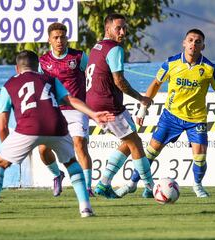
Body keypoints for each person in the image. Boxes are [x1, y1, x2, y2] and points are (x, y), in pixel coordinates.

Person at [0, 50, 115, 220]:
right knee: (72, 163)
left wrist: (6, 150)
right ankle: (85, 208)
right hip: (57, 125)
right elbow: (70, 100)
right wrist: (93, 114)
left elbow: (3, 126)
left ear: (16, 68)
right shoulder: (50, 79)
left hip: (28, 127)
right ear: (38, 67)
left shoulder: (8, 85)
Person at [115, 29, 215, 198]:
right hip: (171, 116)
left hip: (196, 119)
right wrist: (143, 109)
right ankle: (132, 183)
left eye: (198, 42)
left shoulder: (210, 68)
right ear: (184, 42)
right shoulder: (171, 63)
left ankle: (197, 186)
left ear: (203, 46)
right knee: (151, 152)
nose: (193, 44)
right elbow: (155, 83)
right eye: (190, 40)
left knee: (200, 157)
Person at [85, 13, 154, 198]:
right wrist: (141, 98)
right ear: (108, 29)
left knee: (129, 141)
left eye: (124, 28)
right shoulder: (114, 48)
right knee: (136, 143)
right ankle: (151, 188)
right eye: (118, 28)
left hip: (94, 103)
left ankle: (103, 184)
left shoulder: (97, 46)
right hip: (108, 104)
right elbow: (119, 81)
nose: (123, 32)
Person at [38, 22, 94, 197]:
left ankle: (87, 187)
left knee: (79, 145)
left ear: (67, 38)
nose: (60, 40)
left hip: (76, 109)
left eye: (62, 37)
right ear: (49, 40)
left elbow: (93, 75)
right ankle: (57, 175)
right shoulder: (43, 62)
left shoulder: (78, 57)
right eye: (56, 37)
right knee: (43, 149)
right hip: (53, 110)